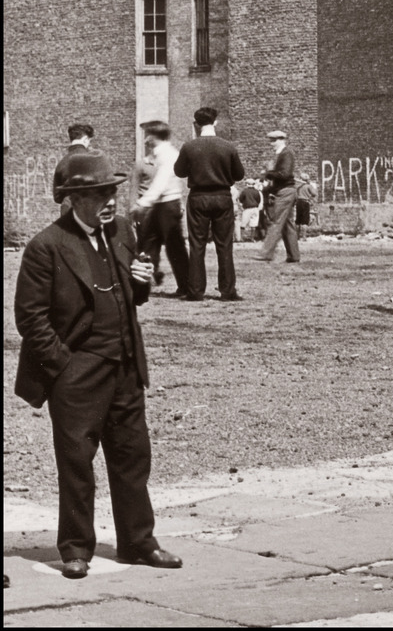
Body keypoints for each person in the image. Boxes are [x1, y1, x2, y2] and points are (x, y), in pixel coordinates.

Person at [13, 148, 183, 579]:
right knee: (76, 463)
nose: (110, 200)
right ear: (74, 199)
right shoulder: (46, 247)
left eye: (112, 191)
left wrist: (141, 284)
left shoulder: (122, 231)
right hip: (77, 373)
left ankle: (138, 542)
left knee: (132, 458)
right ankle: (75, 548)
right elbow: (30, 318)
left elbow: (128, 296)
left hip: (125, 367)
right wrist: (64, 367)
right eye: (100, 193)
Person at [173, 107, 245, 302]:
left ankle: (195, 291)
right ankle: (228, 290)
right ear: (215, 123)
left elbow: (179, 171)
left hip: (198, 197)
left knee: (197, 245)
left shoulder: (189, 147)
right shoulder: (228, 147)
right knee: (224, 245)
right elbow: (239, 174)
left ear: (196, 124)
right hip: (222, 197)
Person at [133, 125, 190, 295]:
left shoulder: (167, 154)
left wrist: (144, 202)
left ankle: (186, 286)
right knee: (148, 242)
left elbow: (161, 182)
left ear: (153, 136)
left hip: (167, 204)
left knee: (174, 245)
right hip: (160, 204)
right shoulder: (162, 153)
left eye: (147, 134)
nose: (145, 139)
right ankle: (144, 283)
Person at [258, 129, 301, 266]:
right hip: (285, 191)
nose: (272, 144)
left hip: (285, 192)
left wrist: (268, 174)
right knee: (287, 224)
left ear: (282, 140)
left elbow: (285, 174)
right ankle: (293, 255)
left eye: (274, 140)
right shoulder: (283, 154)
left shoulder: (286, 153)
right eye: (271, 140)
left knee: (276, 222)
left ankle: (266, 253)